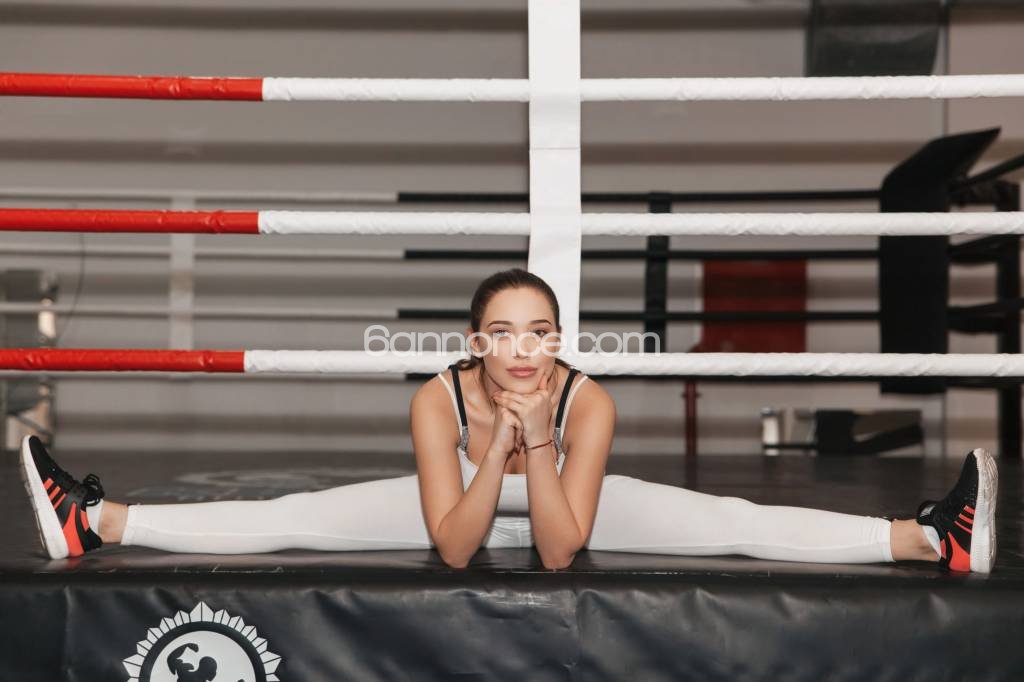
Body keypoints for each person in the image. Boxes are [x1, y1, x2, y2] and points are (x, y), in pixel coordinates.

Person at [19, 268, 997, 573]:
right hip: (465, 498)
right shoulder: (435, 396)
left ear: (557, 337)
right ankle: (93, 521)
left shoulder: (589, 398)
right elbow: (455, 547)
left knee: (732, 520)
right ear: (475, 340)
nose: (523, 351)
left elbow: (561, 550)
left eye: (539, 333)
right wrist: (497, 443)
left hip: (568, 503)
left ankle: (931, 538)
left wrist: (538, 436)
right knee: (293, 515)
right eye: (502, 333)